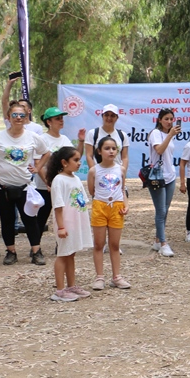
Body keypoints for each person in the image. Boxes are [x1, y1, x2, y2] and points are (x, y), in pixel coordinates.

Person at [0, 102, 48, 265]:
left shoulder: (33, 137)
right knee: (7, 220)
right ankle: (11, 251)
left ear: (27, 116)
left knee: (30, 219)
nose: (19, 118)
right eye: (15, 115)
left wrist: (38, 168)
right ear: (8, 117)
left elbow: (46, 153)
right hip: (3, 187)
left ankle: (36, 251)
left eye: (22, 115)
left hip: (25, 186)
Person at [44, 147, 92, 302]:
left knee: (71, 253)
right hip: (66, 223)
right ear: (64, 162)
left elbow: (81, 200)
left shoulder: (76, 178)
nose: (79, 163)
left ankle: (71, 286)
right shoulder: (59, 180)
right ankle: (59, 290)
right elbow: (58, 206)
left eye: (79, 160)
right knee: (63, 254)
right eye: (75, 160)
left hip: (76, 222)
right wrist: (61, 227)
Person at [34, 107, 85, 240]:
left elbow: (75, 156)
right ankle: (36, 247)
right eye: (58, 118)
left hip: (63, 186)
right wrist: (49, 183)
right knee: (41, 217)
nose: (61, 121)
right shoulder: (42, 139)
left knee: (64, 215)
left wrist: (81, 141)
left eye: (62, 118)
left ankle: (62, 244)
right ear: (48, 122)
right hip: (44, 187)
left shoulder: (64, 139)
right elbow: (38, 165)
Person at [88, 136, 130, 290]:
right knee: (99, 244)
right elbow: (92, 191)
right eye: (107, 148)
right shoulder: (94, 170)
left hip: (117, 207)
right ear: (99, 151)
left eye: (113, 148)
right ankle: (99, 277)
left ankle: (116, 276)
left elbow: (122, 189)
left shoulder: (121, 169)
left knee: (114, 244)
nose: (111, 151)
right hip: (100, 206)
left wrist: (126, 205)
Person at [147, 109, 181, 257]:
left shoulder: (169, 135)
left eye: (171, 119)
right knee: (160, 211)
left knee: (165, 210)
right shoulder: (155, 133)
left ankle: (157, 240)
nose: (169, 122)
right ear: (160, 120)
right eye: (166, 119)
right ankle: (163, 243)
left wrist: (170, 135)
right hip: (157, 176)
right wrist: (170, 135)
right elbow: (159, 150)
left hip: (170, 176)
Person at [85, 104, 130, 175]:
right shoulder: (92, 133)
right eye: (106, 115)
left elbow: (124, 157)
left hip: (117, 174)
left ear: (117, 118)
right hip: (99, 174)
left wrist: (122, 173)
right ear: (102, 116)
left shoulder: (123, 135)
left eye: (112, 115)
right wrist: (95, 174)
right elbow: (89, 156)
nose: (109, 118)